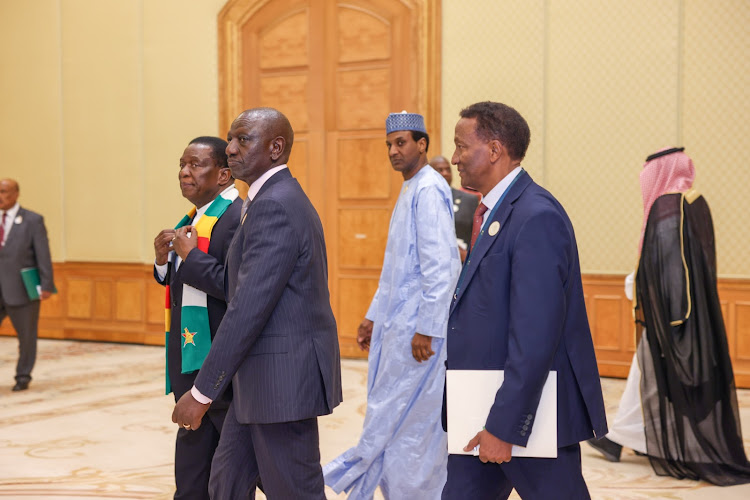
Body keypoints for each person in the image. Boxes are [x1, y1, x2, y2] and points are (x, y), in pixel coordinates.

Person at [171, 107, 342, 499]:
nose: (230, 148)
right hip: (258, 380)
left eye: (242, 139)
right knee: (226, 485)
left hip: (281, 383)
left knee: (295, 491)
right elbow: (240, 291)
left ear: (276, 147)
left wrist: (201, 392)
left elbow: (246, 309)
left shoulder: (274, 205)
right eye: (231, 138)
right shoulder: (267, 200)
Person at [443, 102, 608, 499]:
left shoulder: (536, 217)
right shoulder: (495, 211)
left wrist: (504, 425)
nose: (455, 158)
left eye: (462, 146)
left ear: (495, 150)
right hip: (479, 402)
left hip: (526, 415)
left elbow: (536, 337)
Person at [588, 148, 750, 486]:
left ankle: (623, 439)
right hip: (688, 311)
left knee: (650, 375)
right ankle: (621, 439)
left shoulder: (667, 207)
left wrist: (665, 311)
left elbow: (667, 266)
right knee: (643, 376)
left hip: (673, 314)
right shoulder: (693, 202)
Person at [324, 112, 460, 499]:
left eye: (401, 142)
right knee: (391, 419)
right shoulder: (411, 188)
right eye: (388, 144)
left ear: (422, 144)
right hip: (399, 330)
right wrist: (372, 316)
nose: (393, 150)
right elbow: (397, 269)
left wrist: (428, 329)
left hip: (418, 337)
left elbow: (440, 268)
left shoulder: (430, 189)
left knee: (414, 425)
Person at [153, 137, 241, 499]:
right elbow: (179, 285)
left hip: (220, 368)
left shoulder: (237, 216)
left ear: (223, 174)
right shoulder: (194, 217)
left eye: (195, 164)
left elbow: (235, 288)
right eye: (182, 164)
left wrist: (188, 256)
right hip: (191, 363)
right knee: (192, 472)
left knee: (238, 470)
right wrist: (162, 261)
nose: (184, 172)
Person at [0, 178, 55, 392]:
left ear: (15, 194)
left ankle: (23, 376)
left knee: (26, 336)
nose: (1, 196)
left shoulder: (32, 220)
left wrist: (47, 284)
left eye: (4, 191)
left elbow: (43, 254)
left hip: (22, 289)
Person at [431, 155, 479, 261]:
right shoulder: (423, 201)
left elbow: (477, 235)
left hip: (462, 264)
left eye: (448, 169)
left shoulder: (469, 200)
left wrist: (468, 256)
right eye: (440, 170)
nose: (445, 173)